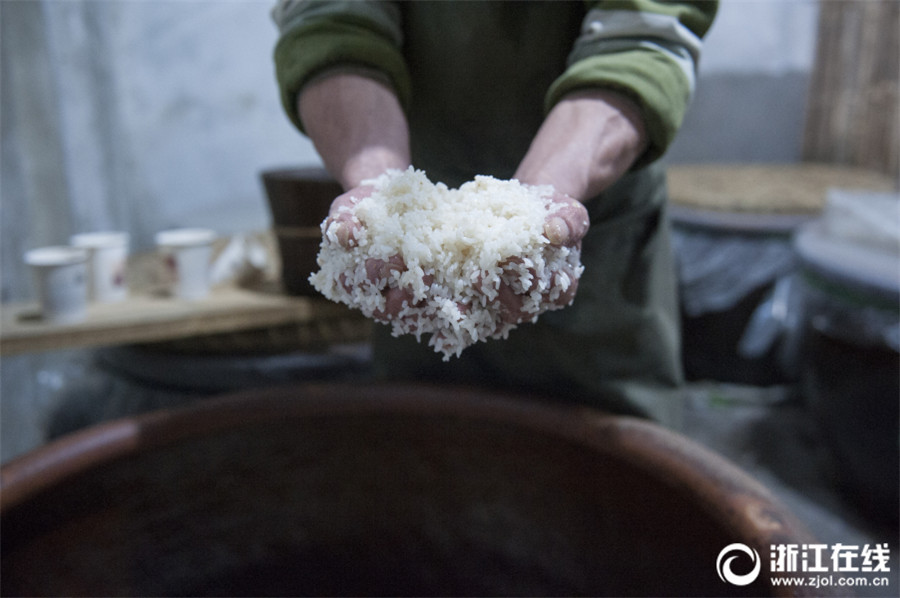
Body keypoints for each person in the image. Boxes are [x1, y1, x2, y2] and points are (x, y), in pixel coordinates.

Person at [271, 0, 718, 426]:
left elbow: (638, 41)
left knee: (613, 462)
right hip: (410, 262)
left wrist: (538, 205)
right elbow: (331, 24)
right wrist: (380, 189)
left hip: (599, 248)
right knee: (426, 439)